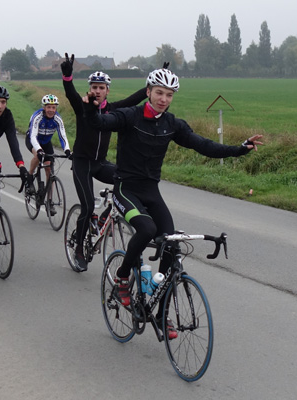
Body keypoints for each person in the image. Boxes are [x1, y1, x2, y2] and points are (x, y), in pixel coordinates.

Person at [83, 67, 263, 337]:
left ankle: (160, 313)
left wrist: (239, 149)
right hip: (125, 189)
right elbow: (100, 122)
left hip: (151, 191)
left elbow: (203, 145)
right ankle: (122, 276)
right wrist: (90, 109)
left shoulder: (172, 124)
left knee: (172, 242)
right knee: (147, 229)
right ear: (148, 92)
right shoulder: (130, 116)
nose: (164, 99)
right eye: (159, 93)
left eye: (169, 95)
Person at [60, 53, 147, 272]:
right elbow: (70, 94)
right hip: (82, 163)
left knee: (126, 179)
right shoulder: (82, 107)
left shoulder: (112, 109)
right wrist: (67, 77)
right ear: (90, 89)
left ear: (107, 90)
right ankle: (79, 249)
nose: (97, 90)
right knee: (88, 206)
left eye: (101, 87)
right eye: (94, 87)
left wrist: (152, 85)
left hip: (100, 163)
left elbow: (134, 100)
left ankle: (104, 219)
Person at [25, 94, 71, 215]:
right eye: (48, 107)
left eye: (53, 107)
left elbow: (62, 136)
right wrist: (39, 150)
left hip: (46, 142)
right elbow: (33, 136)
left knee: (50, 172)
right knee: (37, 155)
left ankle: (49, 202)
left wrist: (67, 150)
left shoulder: (57, 119)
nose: (51, 110)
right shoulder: (37, 117)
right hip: (33, 140)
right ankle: (29, 177)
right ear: (44, 107)